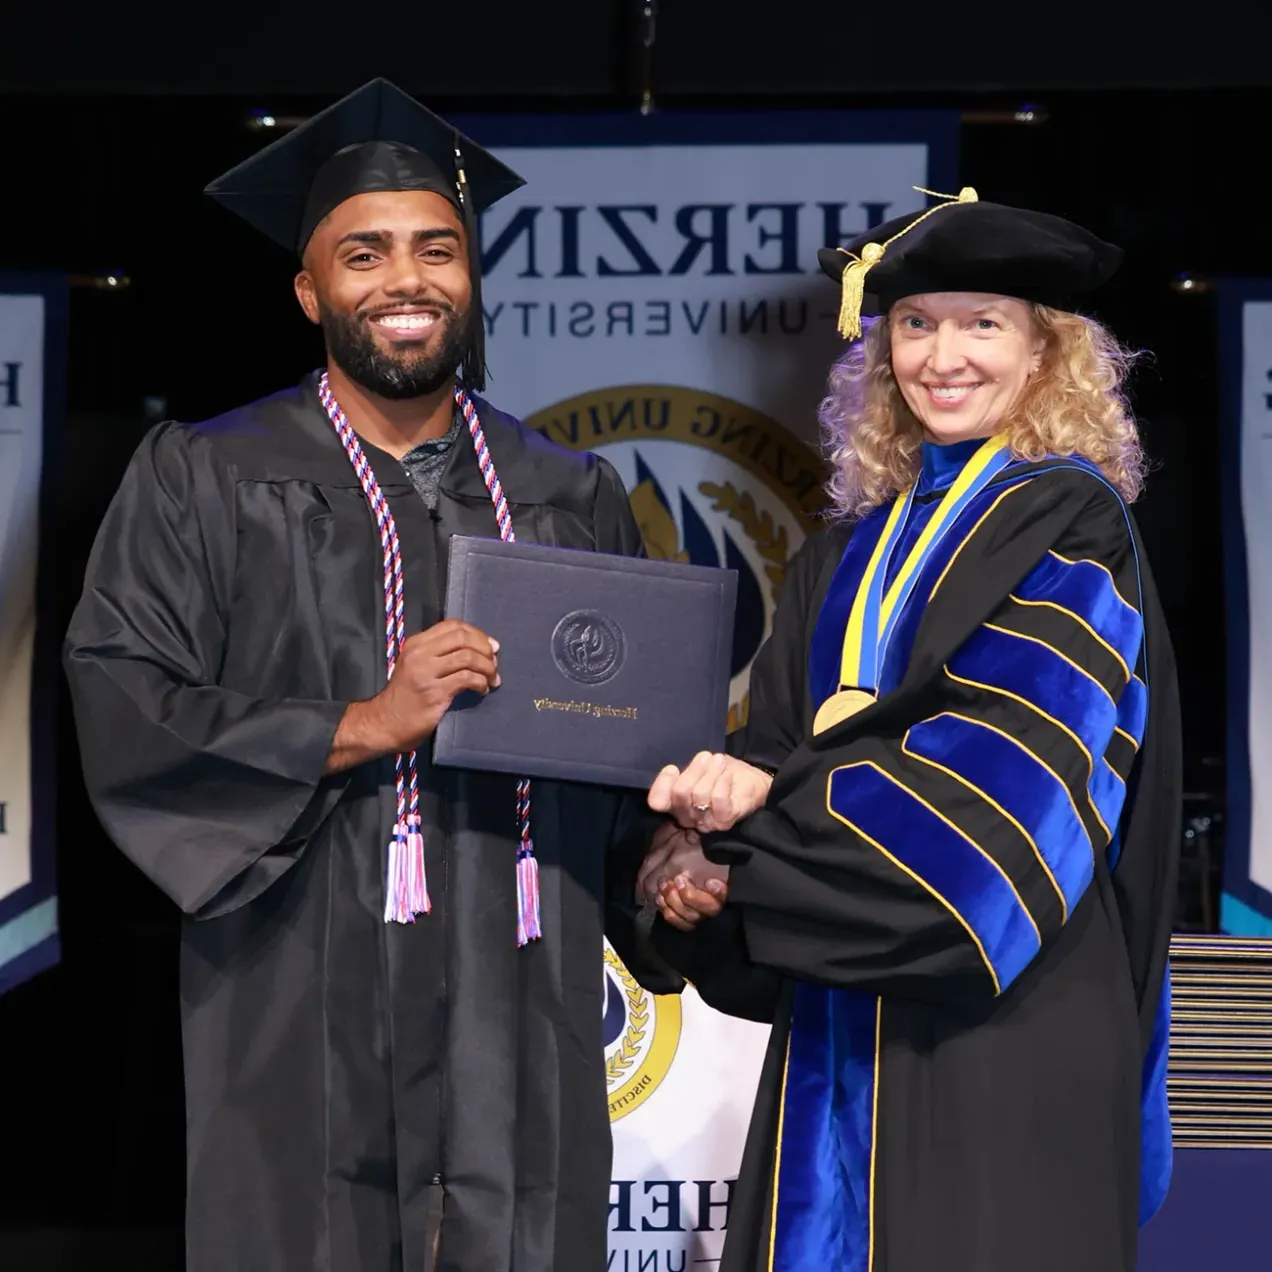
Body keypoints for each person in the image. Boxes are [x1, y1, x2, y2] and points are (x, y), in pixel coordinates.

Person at [64, 78, 671, 1272]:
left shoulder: (568, 490)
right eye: (366, 252)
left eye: (437, 250)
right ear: (311, 289)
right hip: (297, 990)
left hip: (522, 986)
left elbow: (628, 743)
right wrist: (359, 724)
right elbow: (125, 692)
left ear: (472, 276)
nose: (407, 280)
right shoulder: (206, 478)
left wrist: (671, 855)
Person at [635, 189, 1181, 1272]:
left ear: (1045, 353)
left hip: (1006, 1019)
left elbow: (1007, 782)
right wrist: (692, 865)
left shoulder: (1069, 522)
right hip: (845, 1023)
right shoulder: (839, 558)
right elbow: (774, 750)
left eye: (984, 323)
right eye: (917, 323)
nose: (945, 356)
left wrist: (766, 821)